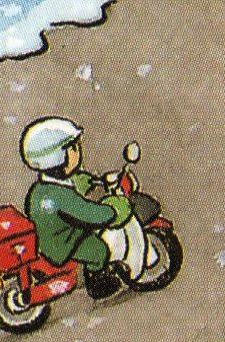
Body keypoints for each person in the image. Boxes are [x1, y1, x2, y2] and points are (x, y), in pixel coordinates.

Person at [17, 117, 145, 300]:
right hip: (63, 244)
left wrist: (91, 181)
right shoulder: (61, 197)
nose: (78, 152)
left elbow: (76, 182)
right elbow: (90, 214)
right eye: (74, 148)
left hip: (52, 236)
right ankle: (97, 284)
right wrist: (113, 211)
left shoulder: (42, 188)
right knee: (99, 250)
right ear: (59, 157)